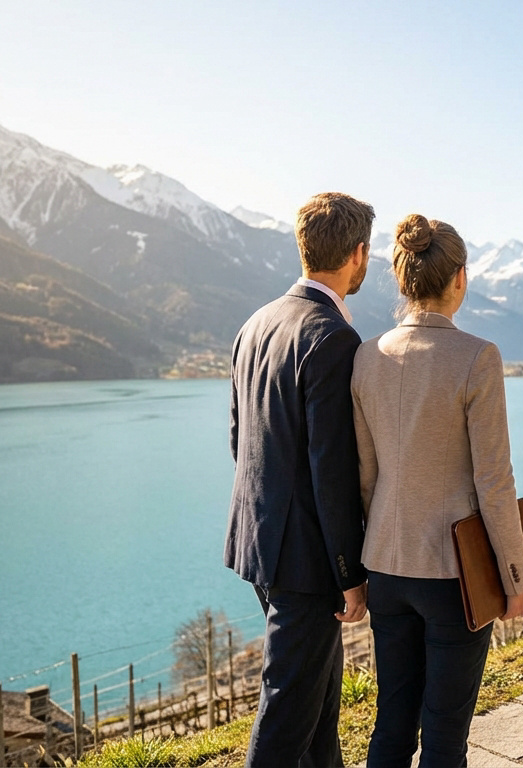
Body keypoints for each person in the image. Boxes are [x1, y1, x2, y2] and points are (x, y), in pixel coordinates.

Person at [353, 213, 523, 768]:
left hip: (385, 565)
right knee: (446, 736)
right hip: (454, 574)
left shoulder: (366, 356)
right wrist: (516, 577)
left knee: (391, 724)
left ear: (404, 281)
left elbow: (364, 475)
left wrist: (364, 567)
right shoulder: (478, 357)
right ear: (459, 279)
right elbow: (493, 480)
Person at [225, 192, 374, 768]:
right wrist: (349, 573)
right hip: (307, 561)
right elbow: (331, 471)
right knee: (288, 708)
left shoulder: (256, 322)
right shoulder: (333, 338)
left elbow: (241, 442)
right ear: (358, 254)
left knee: (317, 702)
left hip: (259, 543)